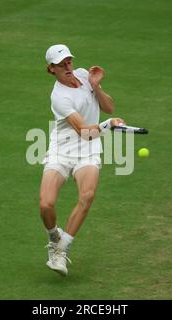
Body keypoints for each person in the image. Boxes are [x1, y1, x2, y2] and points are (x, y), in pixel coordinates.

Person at [39, 44, 125, 276]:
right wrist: (108, 126)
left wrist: (96, 87)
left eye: (69, 61)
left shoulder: (84, 75)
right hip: (62, 150)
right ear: (51, 69)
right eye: (61, 64)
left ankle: (61, 252)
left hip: (88, 151)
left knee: (87, 195)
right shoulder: (59, 97)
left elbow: (108, 106)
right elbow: (84, 131)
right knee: (46, 204)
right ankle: (53, 236)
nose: (68, 66)